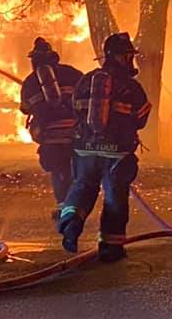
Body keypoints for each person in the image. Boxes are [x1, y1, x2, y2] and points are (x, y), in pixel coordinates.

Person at [57, 32, 151, 262]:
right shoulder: (131, 88)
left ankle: (70, 223)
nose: (131, 61)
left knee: (82, 187)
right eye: (128, 56)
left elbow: (74, 111)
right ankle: (110, 248)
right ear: (120, 57)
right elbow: (141, 119)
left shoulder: (85, 81)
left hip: (84, 150)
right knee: (114, 198)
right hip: (116, 154)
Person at [19, 37, 83, 221]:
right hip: (75, 131)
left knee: (58, 169)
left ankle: (63, 204)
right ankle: (75, 203)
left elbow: (25, 107)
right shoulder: (72, 73)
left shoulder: (30, 82)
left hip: (50, 136)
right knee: (75, 166)